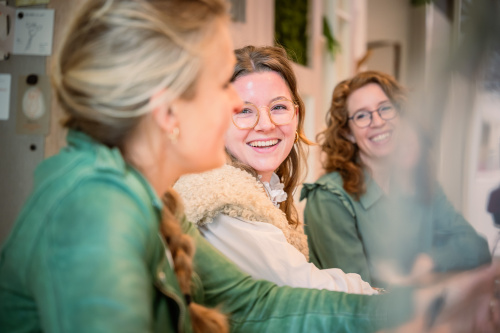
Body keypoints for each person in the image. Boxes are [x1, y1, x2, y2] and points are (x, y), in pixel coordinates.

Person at [0, 1, 499, 332]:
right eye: (224, 88)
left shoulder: (139, 196)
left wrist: (422, 310)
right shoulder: (94, 213)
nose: (242, 115)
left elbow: (259, 303)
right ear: (167, 111)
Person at [174, 45, 376, 294]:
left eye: (279, 107)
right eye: (244, 111)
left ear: (296, 115)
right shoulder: (219, 200)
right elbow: (307, 291)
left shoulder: (262, 192)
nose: (266, 125)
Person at [301, 70, 492, 288]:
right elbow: (357, 299)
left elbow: (477, 247)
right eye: (362, 115)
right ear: (348, 133)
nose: (378, 121)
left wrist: (430, 261)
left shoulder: (418, 182)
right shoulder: (329, 198)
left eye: (385, 109)